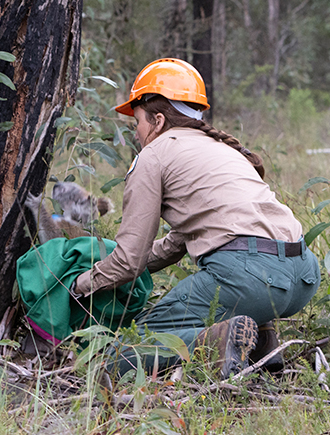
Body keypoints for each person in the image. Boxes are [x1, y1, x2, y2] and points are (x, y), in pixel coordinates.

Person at [73, 58, 321, 379]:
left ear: (158, 120)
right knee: (244, 281)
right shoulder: (222, 149)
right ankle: (263, 349)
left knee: (124, 350)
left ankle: (220, 340)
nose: (136, 133)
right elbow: (176, 243)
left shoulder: (154, 155)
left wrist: (80, 285)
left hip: (249, 278)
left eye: (137, 123)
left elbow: (129, 262)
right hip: (303, 274)